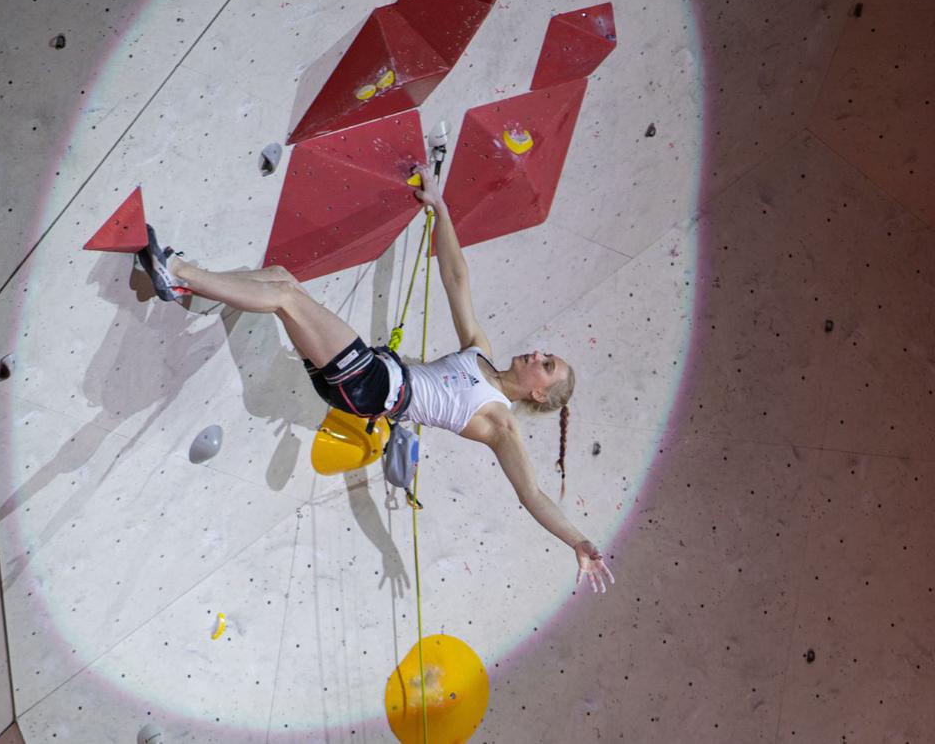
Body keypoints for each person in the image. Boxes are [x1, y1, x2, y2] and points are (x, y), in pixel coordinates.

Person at [137, 164, 616, 594]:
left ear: (538, 391)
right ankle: (183, 282)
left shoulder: (499, 423)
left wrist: (578, 540)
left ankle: (177, 271)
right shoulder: (480, 355)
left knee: (286, 296)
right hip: (367, 378)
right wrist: (441, 208)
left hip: (372, 386)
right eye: (547, 354)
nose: (538, 353)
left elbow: (531, 494)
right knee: (279, 277)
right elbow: (456, 277)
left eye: (547, 365)